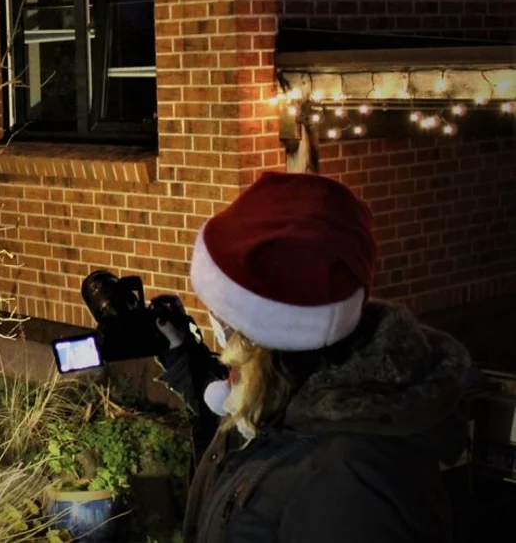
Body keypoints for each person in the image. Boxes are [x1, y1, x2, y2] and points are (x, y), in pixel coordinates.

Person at [156, 171, 471, 543]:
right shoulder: (292, 400)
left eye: (223, 321)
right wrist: (181, 356)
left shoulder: (352, 484)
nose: (221, 341)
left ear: (261, 341)